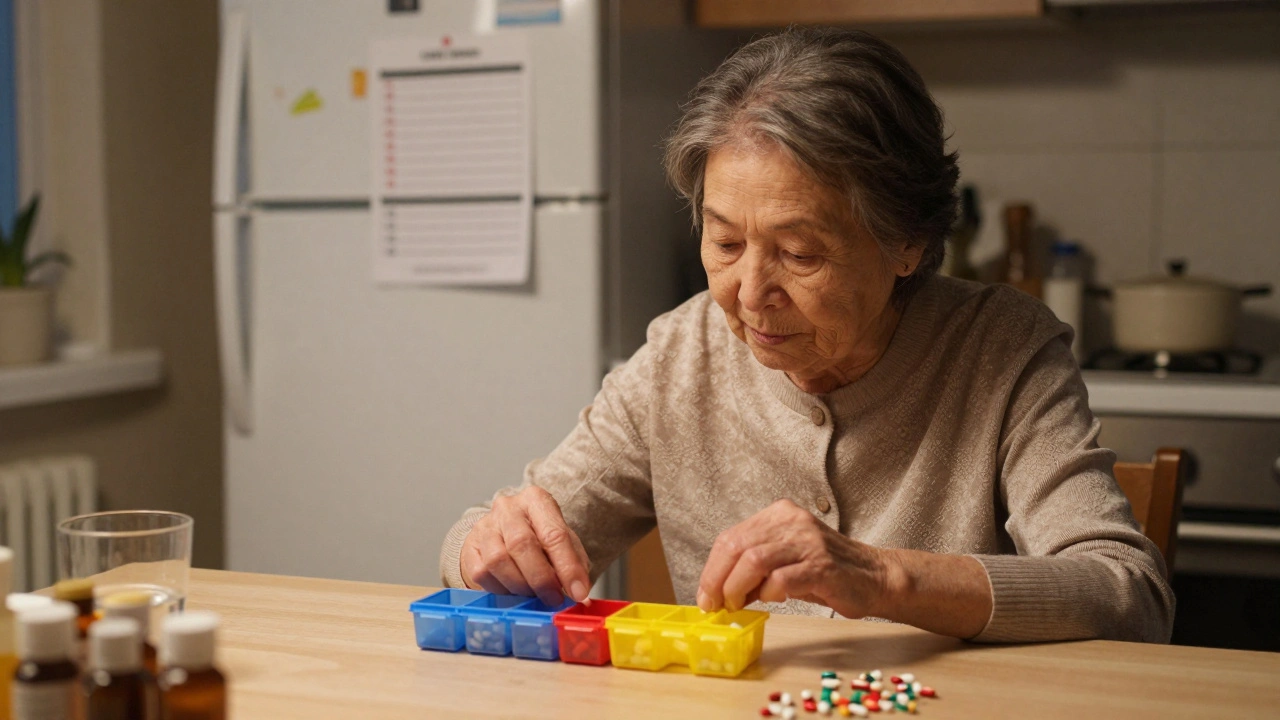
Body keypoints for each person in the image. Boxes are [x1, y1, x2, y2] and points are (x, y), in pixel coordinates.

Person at [438, 26, 1174, 643]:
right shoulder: (680, 356)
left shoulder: (1000, 348)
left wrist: (880, 575)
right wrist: (487, 549)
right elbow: (484, 541)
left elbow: (1127, 593)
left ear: (907, 243)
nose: (750, 293)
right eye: (725, 244)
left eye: (800, 254)